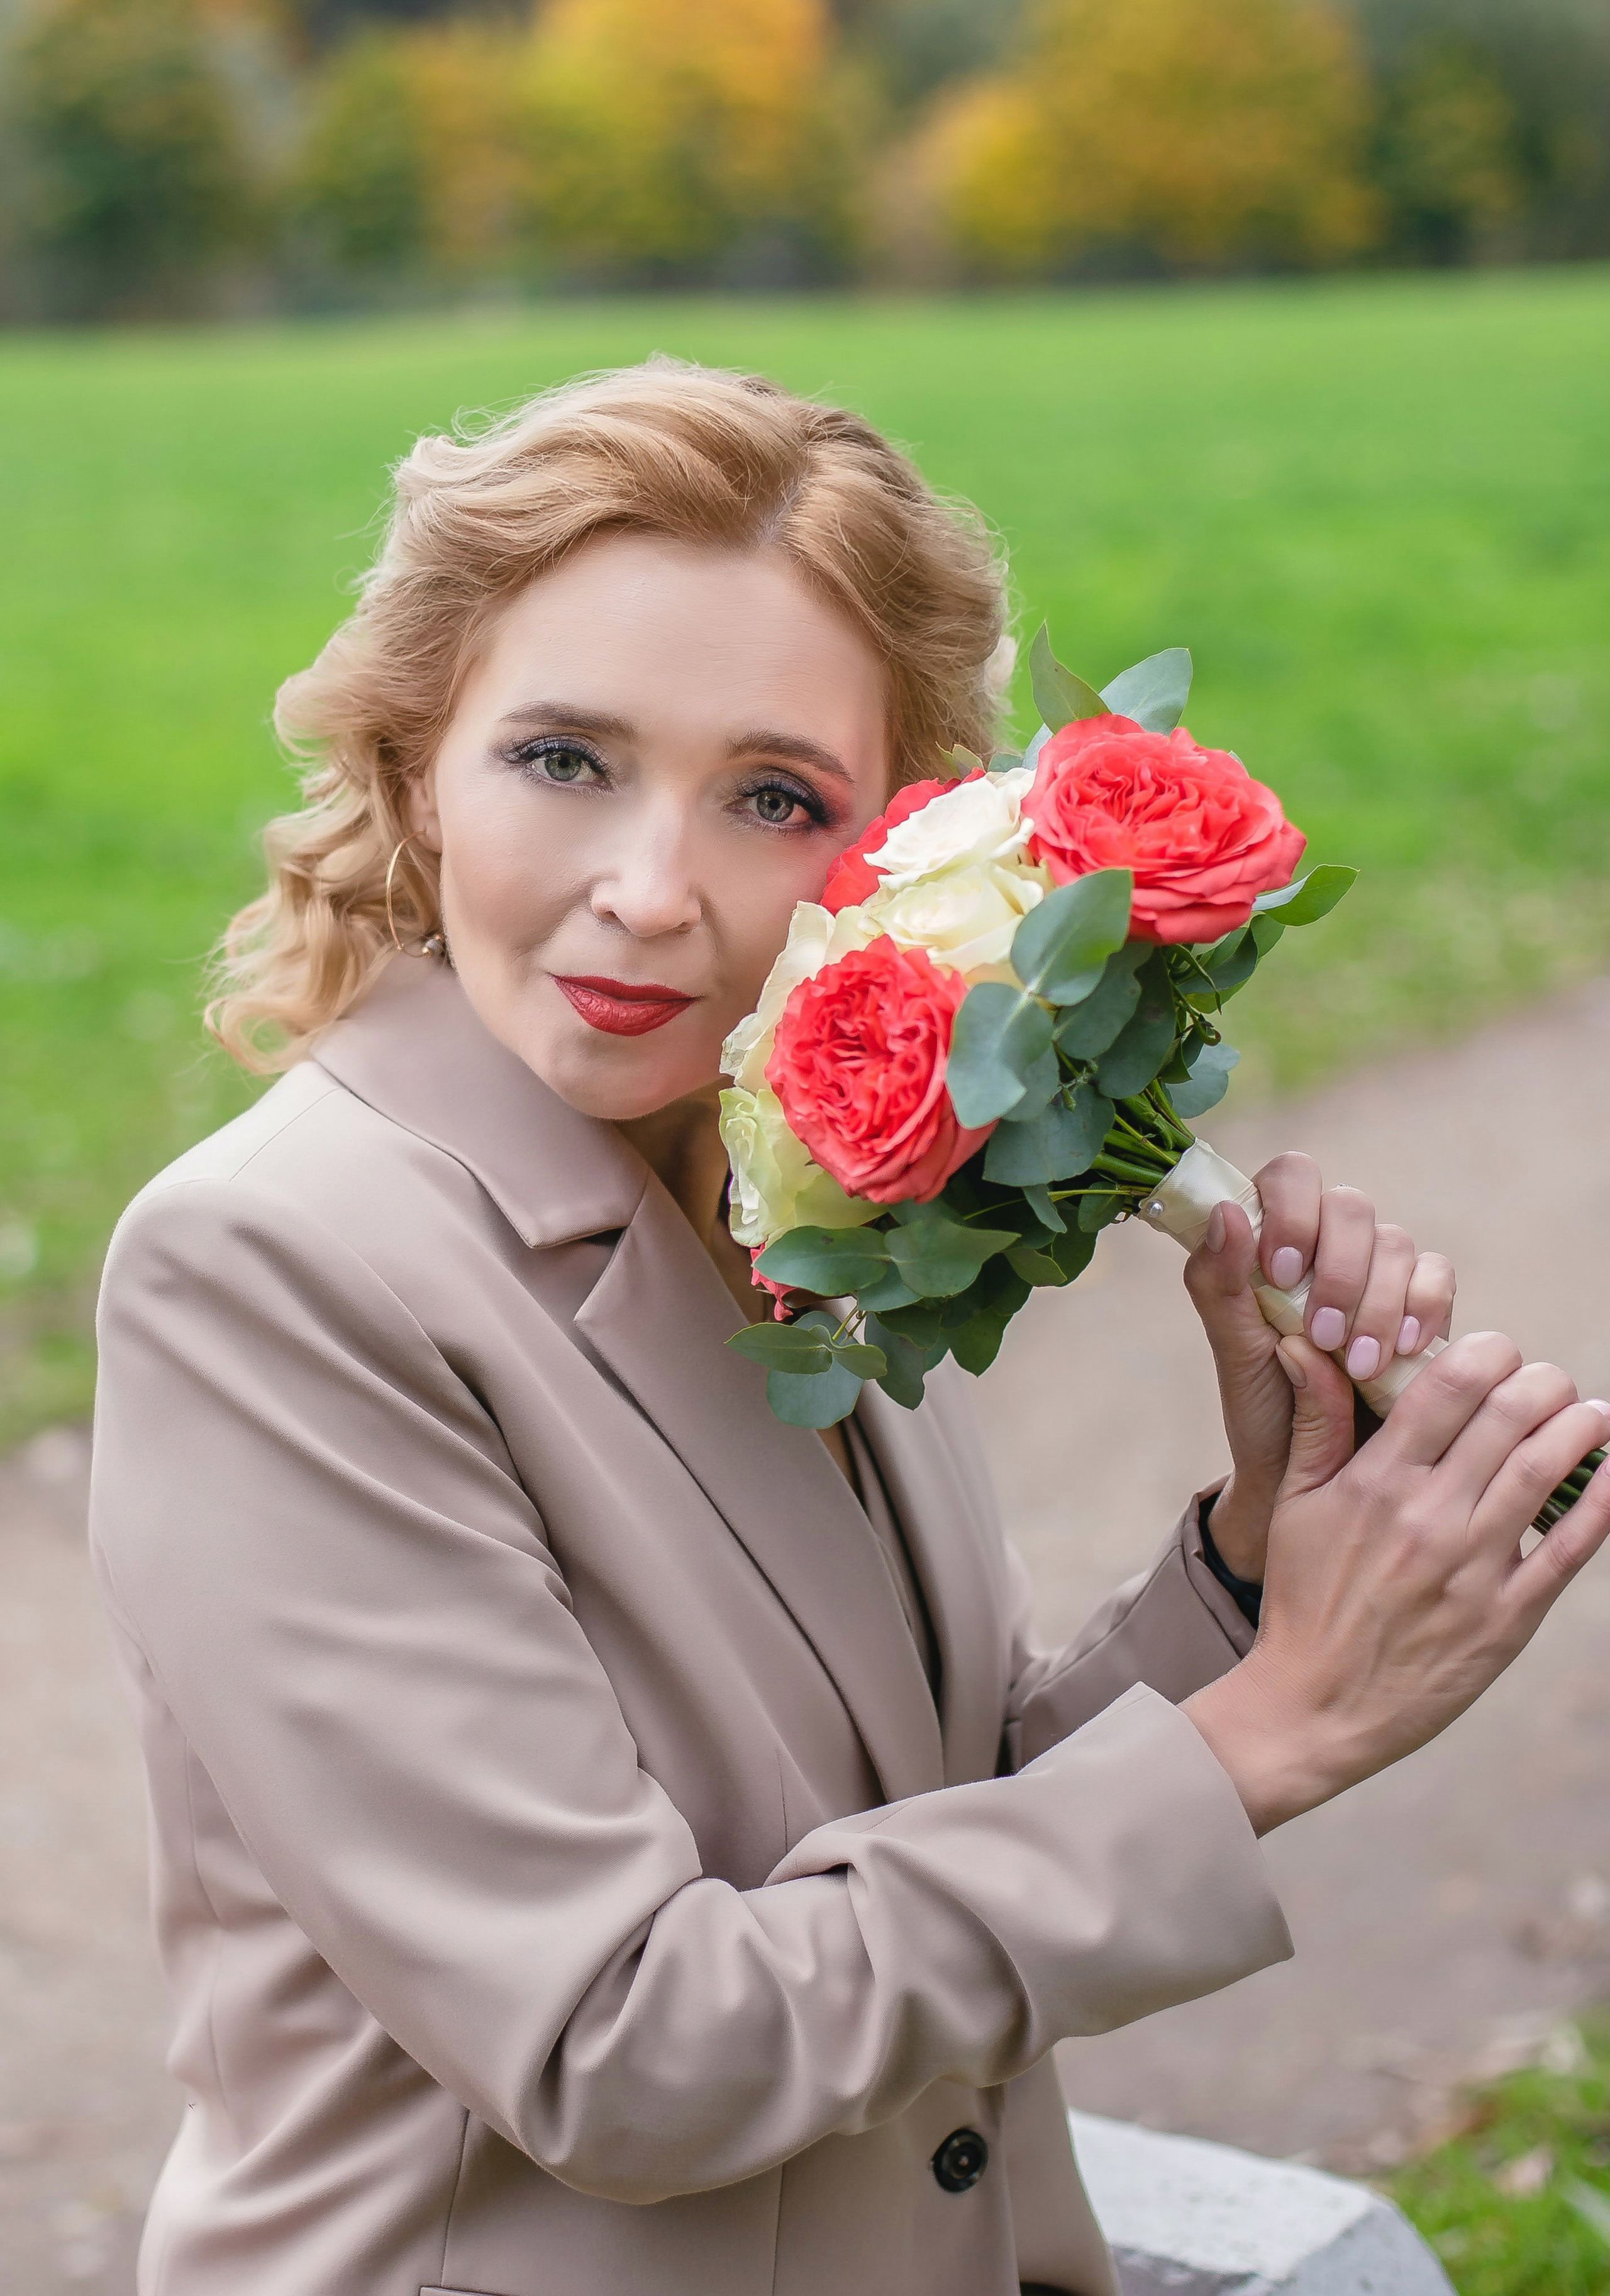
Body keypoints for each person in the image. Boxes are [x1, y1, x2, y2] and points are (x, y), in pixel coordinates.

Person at [88, 362, 1610, 2296]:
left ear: (892, 855)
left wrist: (1257, 1565)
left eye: (773, 798)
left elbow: (918, 1818)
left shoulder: (798, 1191)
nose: (650, 893)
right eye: (563, 758)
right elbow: (622, 2044)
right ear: (413, 767)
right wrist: (1266, 1734)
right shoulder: (275, 1270)